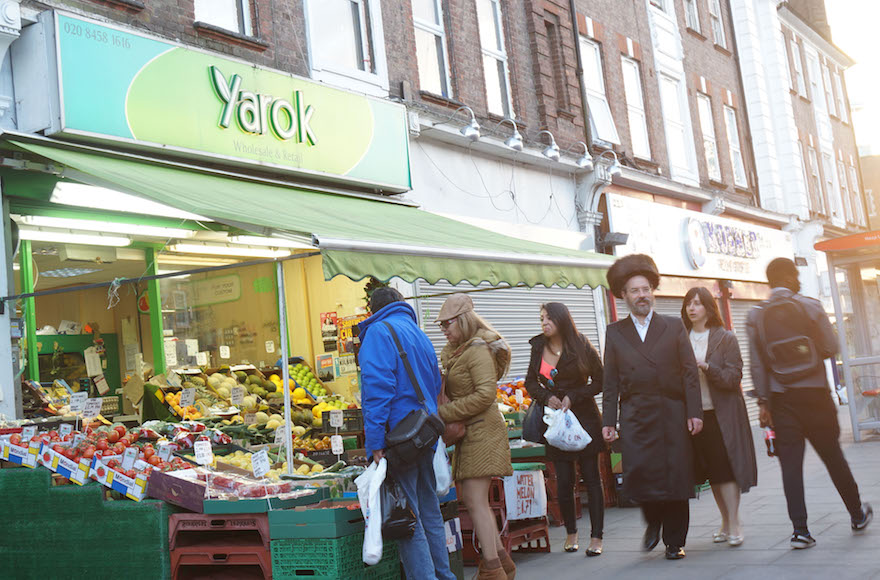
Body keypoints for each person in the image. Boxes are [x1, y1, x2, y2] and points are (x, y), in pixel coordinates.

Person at [746, 257, 872, 549]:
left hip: (782, 400)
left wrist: (764, 402)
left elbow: (757, 365)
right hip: (815, 395)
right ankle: (856, 514)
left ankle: (800, 531)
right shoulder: (811, 306)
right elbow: (831, 347)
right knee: (833, 457)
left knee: (790, 466)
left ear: (769, 281)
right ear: (793, 278)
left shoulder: (756, 316)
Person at [601, 254, 702, 561]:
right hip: (634, 416)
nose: (642, 295)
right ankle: (653, 521)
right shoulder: (615, 333)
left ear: (653, 291)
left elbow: (689, 373)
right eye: (635, 290)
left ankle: (674, 541)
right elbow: (610, 381)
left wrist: (694, 411)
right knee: (640, 475)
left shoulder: (673, 327)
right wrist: (609, 420)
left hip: (672, 413)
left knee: (676, 478)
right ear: (624, 296)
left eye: (646, 289)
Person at [358, 287, 457, 580]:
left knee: (408, 518)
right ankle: (445, 575)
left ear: (372, 310)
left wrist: (375, 443)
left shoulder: (378, 333)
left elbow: (377, 392)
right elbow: (434, 382)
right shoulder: (418, 333)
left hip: (399, 441)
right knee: (430, 512)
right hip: (424, 434)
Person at [436, 293, 516, 580]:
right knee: (473, 500)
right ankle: (501, 564)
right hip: (472, 431)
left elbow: (485, 395)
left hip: (483, 430)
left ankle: (493, 569)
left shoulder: (477, 351)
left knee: (475, 500)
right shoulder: (460, 351)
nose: (444, 330)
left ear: (464, 321)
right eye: (441, 325)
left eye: (448, 324)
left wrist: (444, 414)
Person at [524, 302, 605, 557]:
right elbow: (529, 382)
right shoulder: (538, 346)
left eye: (548, 319)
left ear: (561, 320)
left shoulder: (581, 344)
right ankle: (571, 532)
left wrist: (574, 395)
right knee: (564, 479)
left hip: (584, 419)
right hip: (556, 421)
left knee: (591, 478)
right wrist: (547, 397)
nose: (544, 323)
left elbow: (600, 381)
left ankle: (596, 536)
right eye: (541, 319)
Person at [681, 287, 757, 547]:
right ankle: (725, 522)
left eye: (698, 304)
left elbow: (733, 378)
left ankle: (735, 523)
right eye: (689, 304)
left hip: (722, 414)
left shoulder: (725, 339)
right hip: (696, 416)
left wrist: (707, 367)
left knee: (726, 470)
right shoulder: (681, 338)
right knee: (712, 473)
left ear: (708, 308)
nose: (692, 308)